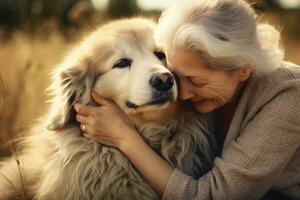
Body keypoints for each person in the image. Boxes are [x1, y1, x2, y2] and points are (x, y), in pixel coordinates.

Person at [74, 0, 300, 199]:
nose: (182, 96)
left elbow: (215, 195)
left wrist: (124, 137)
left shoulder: (289, 97)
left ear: (244, 68)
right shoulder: (212, 93)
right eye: (176, 77)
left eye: (197, 81)